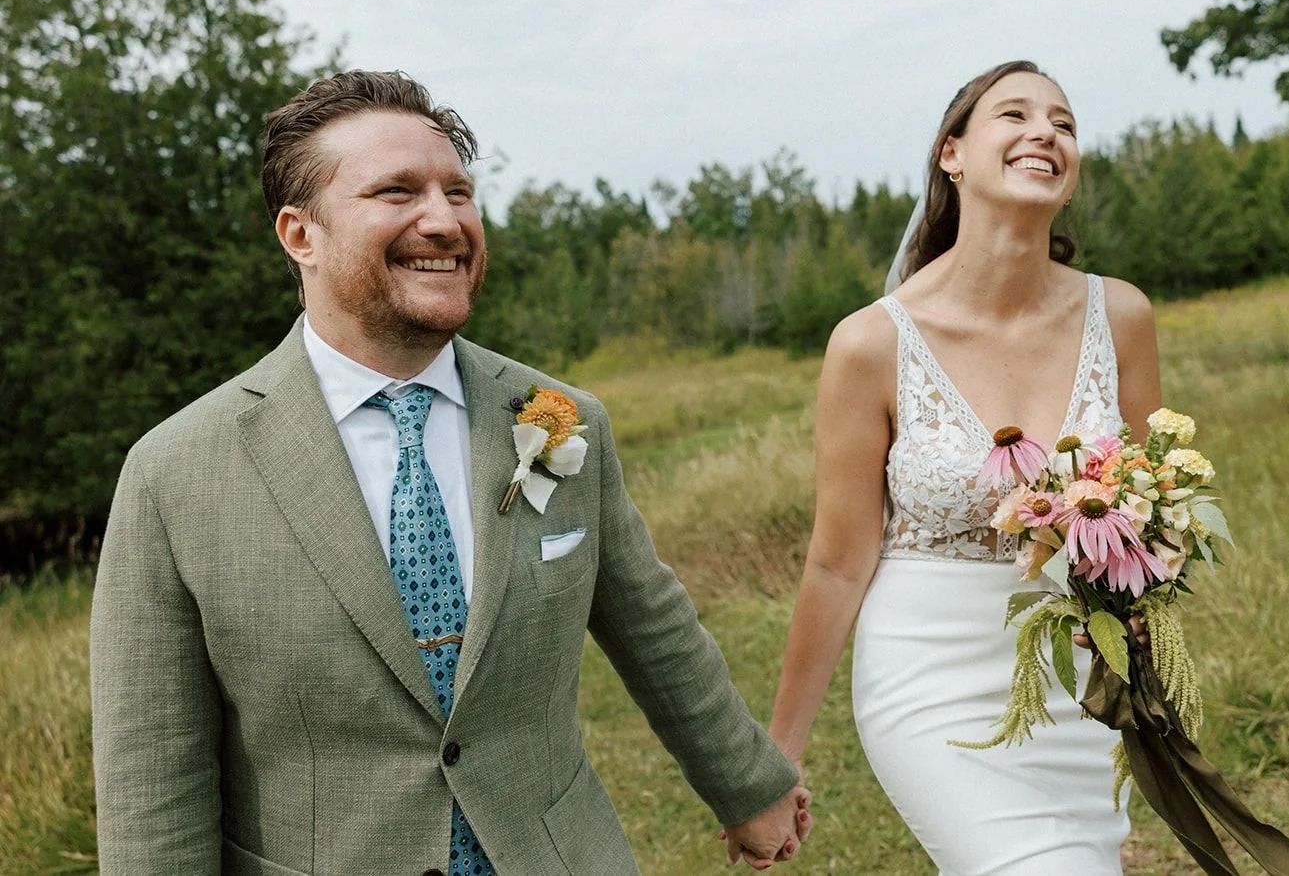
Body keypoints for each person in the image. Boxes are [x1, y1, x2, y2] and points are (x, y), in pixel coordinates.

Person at [90, 70, 810, 875]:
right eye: (397, 192)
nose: (444, 221)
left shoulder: (560, 419)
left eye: (458, 192)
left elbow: (655, 630)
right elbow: (151, 781)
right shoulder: (174, 473)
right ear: (301, 235)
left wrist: (747, 784)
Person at [767, 60, 1161, 874]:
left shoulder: (1120, 315)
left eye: (1064, 123)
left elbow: (1151, 516)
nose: (1045, 132)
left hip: (1078, 673)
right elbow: (839, 563)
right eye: (1013, 115)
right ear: (952, 152)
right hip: (928, 676)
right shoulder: (872, 343)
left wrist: (1142, 668)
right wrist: (778, 756)